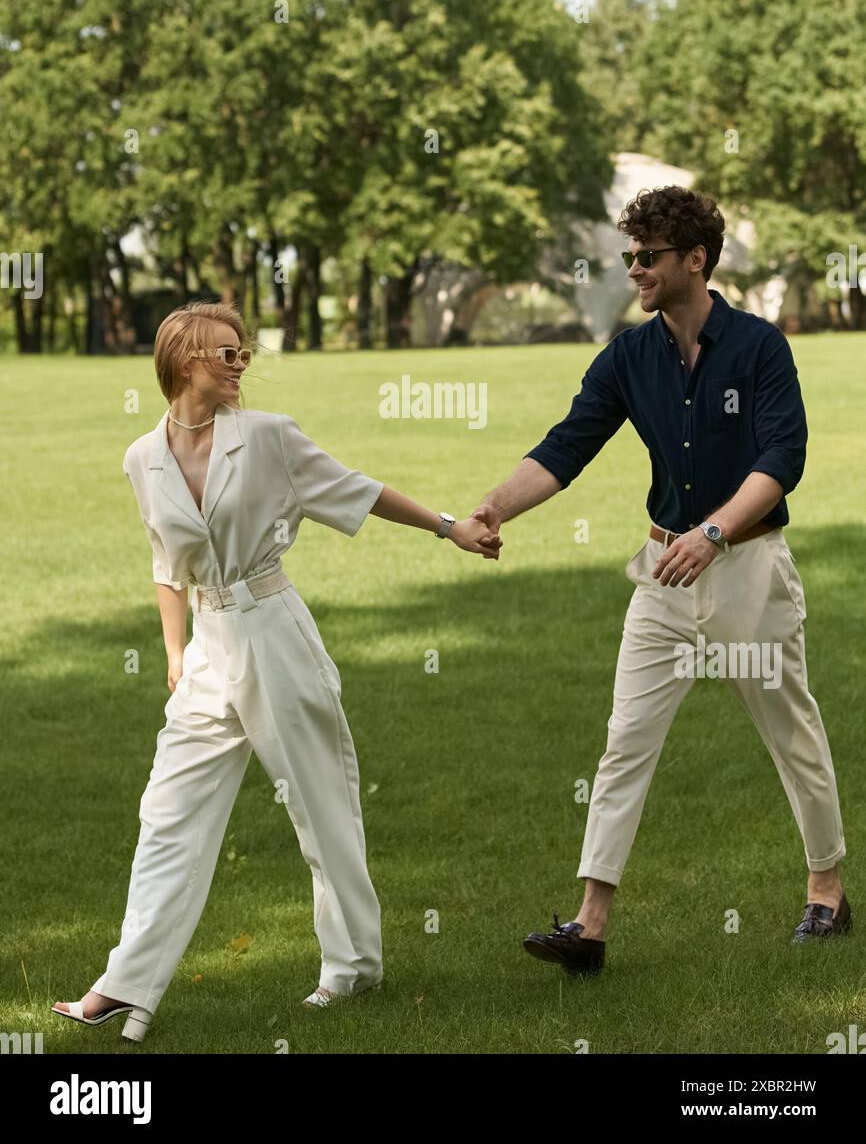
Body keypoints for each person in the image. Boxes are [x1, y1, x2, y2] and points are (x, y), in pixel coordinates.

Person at [53, 301, 501, 1042]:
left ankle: (351, 966)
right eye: (225, 353)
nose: (239, 364)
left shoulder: (267, 438)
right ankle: (124, 983)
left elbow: (357, 489)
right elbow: (167, 565)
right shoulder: (143, 456)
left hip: (275, 632)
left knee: (321, 803)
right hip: (207, 649)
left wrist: (449, 527)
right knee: (166, 817)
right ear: (184, 357)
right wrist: (173, 652)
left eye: (242, 353)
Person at [470, 185, 849, 977]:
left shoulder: (759, 348)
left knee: (792, 734)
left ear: (695, 260)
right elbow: (567, 446)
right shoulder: (628, 357)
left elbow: (783, 461)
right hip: (664, 575)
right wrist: (495, 508)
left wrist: (715, 533)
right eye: (629, 257)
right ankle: (590, 924)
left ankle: (827, 888)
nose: (635, 271)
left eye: (649, 258)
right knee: (624, 743)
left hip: (747, 570)